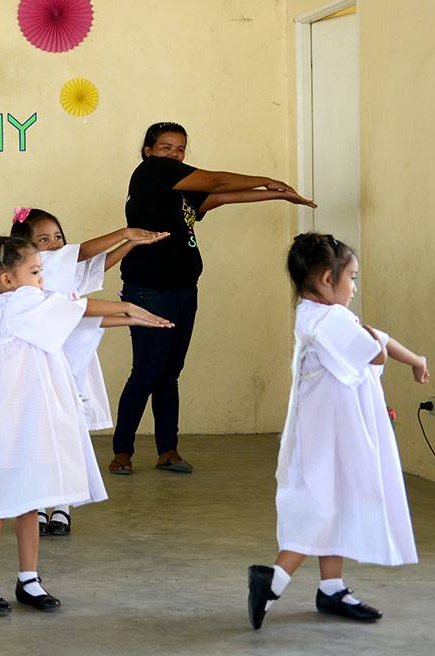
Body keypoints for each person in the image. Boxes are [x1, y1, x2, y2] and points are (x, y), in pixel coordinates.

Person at [0, 236, 172, 615]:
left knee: (30, 495)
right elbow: (74, 308)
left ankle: (28, 578)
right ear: (7, 280)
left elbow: (75, 319)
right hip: (10, 413)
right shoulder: (17, 304)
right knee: (1, 494)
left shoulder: (35, 305)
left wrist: (130, 318)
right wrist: (127, 306)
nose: (42, 278)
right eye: (35, 272)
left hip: (31, 412)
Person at [110, 121, 315, 476]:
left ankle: (168, 451)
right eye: (166, 147)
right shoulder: (153, 172)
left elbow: (222, 197)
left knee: (169, 373)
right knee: (146, 371)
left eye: (180, 149)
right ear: (148, 151)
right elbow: (218, 182)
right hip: (150, 289)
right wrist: (266, 179)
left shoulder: (178, 190)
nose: (174, 154)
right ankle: (122, 452)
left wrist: (276, 194)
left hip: (183, 289)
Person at [247, 234, 427, 630]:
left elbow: (374, 336)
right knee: (321, 508)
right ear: (328, 279)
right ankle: (273, 580)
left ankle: (332, 587)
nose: (355, 288)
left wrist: (415, 359)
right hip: (331, 438)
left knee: (335, 502)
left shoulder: (313, 314)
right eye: (352, 278)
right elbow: (375, 351)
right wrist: (380, 343)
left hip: (329, 435)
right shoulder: (330, 320)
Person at [9, 207, 167, 536]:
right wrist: (124, 233)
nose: (54, 245)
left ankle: (62, 506)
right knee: (39, 436)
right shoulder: (35, 276)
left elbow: (91, 268)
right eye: (43, 240)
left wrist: (130, 245)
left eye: (58, 237)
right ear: (25, 250)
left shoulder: (60, 272)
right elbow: (81, 255)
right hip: (40, 363)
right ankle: (37, 505)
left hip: (70, 357)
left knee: (67, 435)